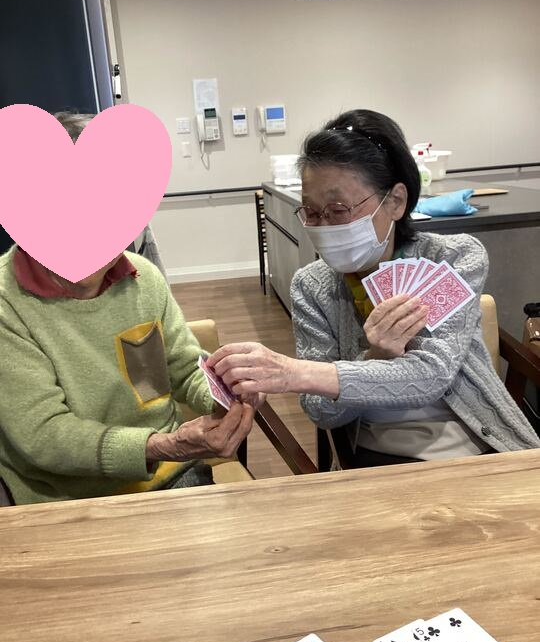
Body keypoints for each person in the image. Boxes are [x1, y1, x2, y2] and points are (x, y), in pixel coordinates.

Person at [208, 109, 539, 466]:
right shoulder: (312, 286)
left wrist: (293, 373)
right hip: (377, 456)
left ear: (395, 201)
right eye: (312, 213)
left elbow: (431, 376)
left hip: (478, 441)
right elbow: (321, 413)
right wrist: (374, 356)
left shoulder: (453, 258)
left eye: (338, 209)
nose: (324, 226)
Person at [0, 112, 254, 505]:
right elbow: (44, 435)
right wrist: (163, 445)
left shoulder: (143, 278)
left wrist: (227, 392)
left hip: (170, 475)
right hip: (60, 497)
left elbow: (184, 368)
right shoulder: (7, 301)